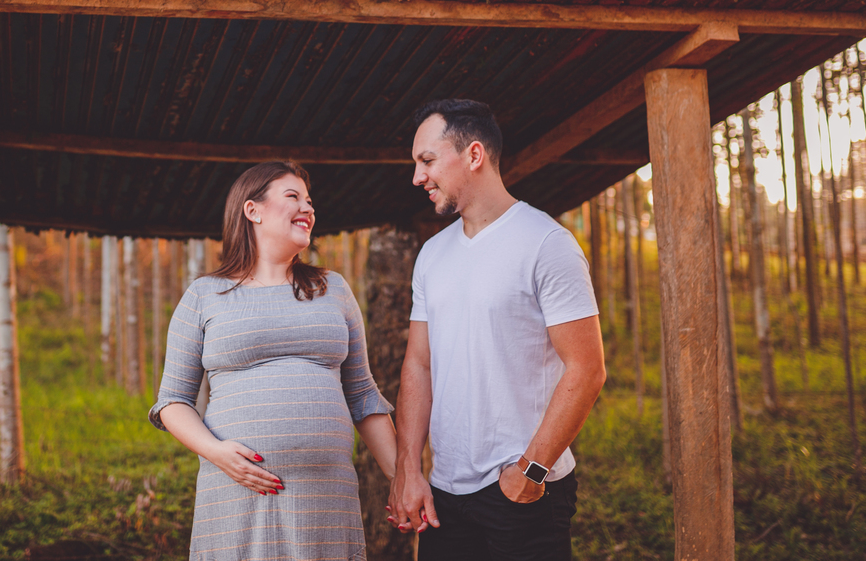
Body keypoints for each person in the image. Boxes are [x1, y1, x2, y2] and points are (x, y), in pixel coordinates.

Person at [387, 99, 606, 560]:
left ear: (474, 155)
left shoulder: (547, 243)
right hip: (445, 496)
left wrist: (532, 470)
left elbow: (587, 369)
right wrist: (408, 467)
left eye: (427, 160)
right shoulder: (432, 254)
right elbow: (419, 364)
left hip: (522, 491)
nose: (417, 177)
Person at [150, 160, 398, 560]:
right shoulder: (204, 296)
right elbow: (172, 402)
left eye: (310, 201)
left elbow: (363, 395)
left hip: (325, 499)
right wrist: (216, 453)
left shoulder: (333, 289)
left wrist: (402, 478)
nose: (308, 207)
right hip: (236, 491)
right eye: (293, 196)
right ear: (253, 210)